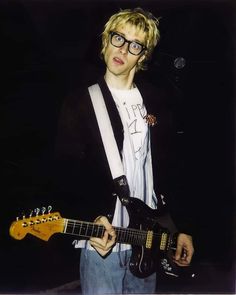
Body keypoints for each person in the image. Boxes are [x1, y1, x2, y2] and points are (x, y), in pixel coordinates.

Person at [54, 7, 194, 294]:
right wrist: (91, 215)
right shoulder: (80, 102)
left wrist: (182, 228)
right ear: (106, 41)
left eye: (134, 45)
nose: (123, 50)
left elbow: (171, 170)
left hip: (149, 242)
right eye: (118, 38)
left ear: (142, 56)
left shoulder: (156, 101)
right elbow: (66, 172)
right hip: (103, 241)